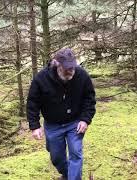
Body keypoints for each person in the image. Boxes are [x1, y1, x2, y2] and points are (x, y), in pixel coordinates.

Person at [26, 48, 96, 180]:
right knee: (56, 157)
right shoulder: (41, 79)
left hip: (75, 122)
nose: (71, 71)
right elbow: (32, 103)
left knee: (76, 153)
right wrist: (34, 126)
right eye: (67, 68)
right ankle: (67, 174)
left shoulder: (82, 75)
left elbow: (89, 98)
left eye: (72, 67)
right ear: (56, 64)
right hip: (53, 125)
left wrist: (85, 120)